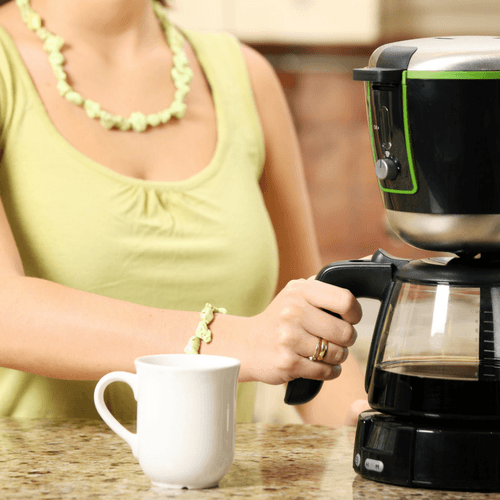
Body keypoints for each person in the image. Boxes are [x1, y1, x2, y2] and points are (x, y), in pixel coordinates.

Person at [0, 0, 367, 424]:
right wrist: (234, 340)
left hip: (223, 489)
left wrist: (373, 436)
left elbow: (309, 335)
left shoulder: (244, 76)